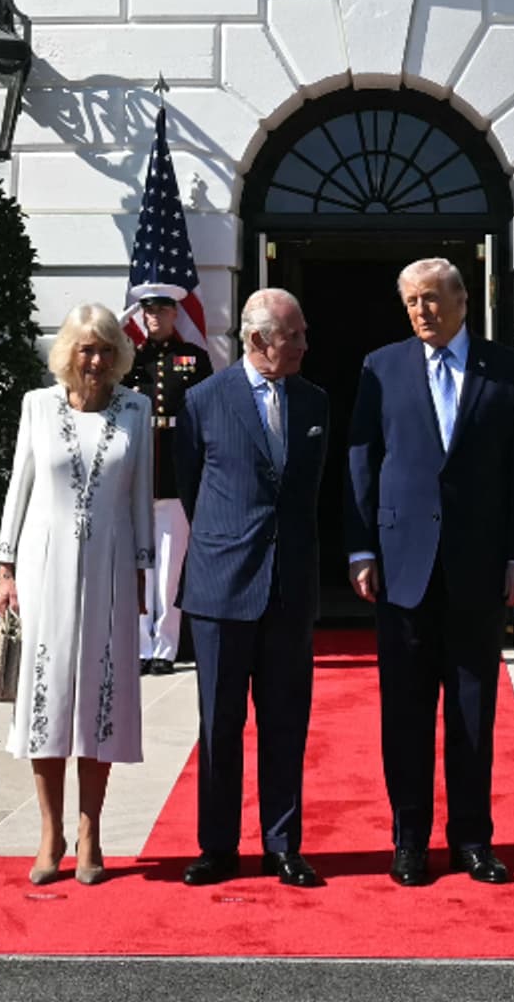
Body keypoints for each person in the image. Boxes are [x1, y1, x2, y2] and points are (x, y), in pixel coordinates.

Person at [343, 255, 514, 887]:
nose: (422, 311)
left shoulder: (508, 372)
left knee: (472, 711)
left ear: (461, 301)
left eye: (432, 299)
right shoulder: (383, 367)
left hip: (478, 568)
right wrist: (361, 549)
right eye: (411, 303)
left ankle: (472, 840)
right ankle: (408, 840)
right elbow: (362, 460)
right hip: (401, 567)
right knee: (404, 711)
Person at [0, 304, 157, 888]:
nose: (97, 360)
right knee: (48, 696)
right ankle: (49, 832)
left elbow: (141, 495)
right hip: (43, 567)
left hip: (111, 567)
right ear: (68, 352)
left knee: (99, 699)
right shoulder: (38, 406)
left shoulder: (137, 409)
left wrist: (143, 570)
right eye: (87, 349)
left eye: (108, 349)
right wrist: (5, 567)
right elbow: (21, 484)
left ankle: (91, 830)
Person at [179, 289, 330, 889]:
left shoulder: (315, 400)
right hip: (221, 587)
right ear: (257, 341)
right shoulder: (203, 401)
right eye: (292, 335)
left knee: (286, 722)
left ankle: (282, 845)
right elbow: (192, 489)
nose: (302, 345)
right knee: (218, 725)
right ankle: (216, 847)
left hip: (290, 587)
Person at [125, 286, 215, 676]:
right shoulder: (129, 359)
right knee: (140, 570)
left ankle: (165, 646)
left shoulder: (193, 359)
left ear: (175, 314)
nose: (155, 318)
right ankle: (141, 645)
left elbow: (208, 414)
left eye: (162, 311)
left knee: (170, 571)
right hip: (138, 475)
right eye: (149, 312)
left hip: (176, 476)